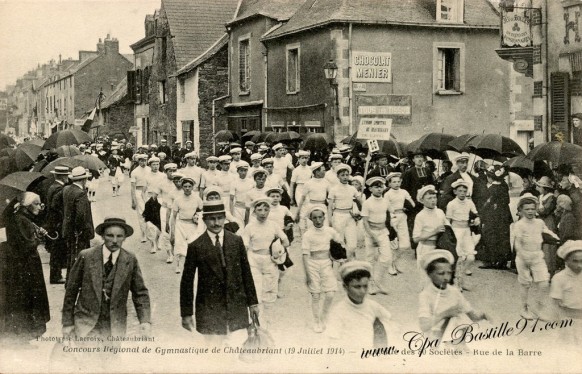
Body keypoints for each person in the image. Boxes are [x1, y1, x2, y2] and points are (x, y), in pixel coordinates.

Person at [180, 200, 259, 346]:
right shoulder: (196, 246)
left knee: (236, 349)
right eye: (211, 219)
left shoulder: (236, 241)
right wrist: (186, 313)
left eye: (219, 218)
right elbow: (187, 282)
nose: (216, 223)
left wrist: (253, 303)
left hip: (236, 306)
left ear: (224, 218)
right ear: (204, 220)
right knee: (214, 353)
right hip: (209, 310)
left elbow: (246, 273)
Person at [62, 218, 151, 341]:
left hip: (114, 326)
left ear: (125, 238)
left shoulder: (130, 259)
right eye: (110, 236)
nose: (115, 241)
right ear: (103, 236)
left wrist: (145, 320)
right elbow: (71, 291)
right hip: (86, 323)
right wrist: (67, 323)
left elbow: (140, 293)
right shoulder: (86, 256)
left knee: (110, 358)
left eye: (119, 236)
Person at [0, 192, 50, 347]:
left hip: (24, 266)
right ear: (27, 205)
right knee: (26, 301)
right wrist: (38, 238)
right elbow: (26, 245)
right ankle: (22, 338)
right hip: (24, 268)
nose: (39, 207)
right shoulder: (21, 220)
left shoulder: (23, 218)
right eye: (36, 203)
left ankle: (22, 337)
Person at [418, 250, 488, 343]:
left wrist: (482, 315)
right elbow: (424, 326)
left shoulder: (454, 292)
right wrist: (446, 313)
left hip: (457, 339)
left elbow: (472, 315)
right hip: (435, 340)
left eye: (449, 273)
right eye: (441, 273)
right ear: (430, 274)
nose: (446, 277)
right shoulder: (426, 295)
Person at [241, 198, 289, 329]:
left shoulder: (273, 225)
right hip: (254, 260)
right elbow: (244, 246)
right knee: (255, 290)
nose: (263, 213)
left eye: (266, 209)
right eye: (259, 209)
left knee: (269, 290)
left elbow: (286, 241)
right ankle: (256, 321)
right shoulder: (250, 227)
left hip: (270, 260)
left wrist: (279, 250)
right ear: (254, 211)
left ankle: (267, 321)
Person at [512, 193, 560, 319]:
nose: (530, 211)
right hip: (523, 257)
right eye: (527, 209)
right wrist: (522, 255)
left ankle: (539, 309)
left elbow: (546, 232)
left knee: (544, 282)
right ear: (521, 210)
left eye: (533, 209)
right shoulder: (519, 225)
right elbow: (518, 243)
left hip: (537, 256)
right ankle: (524, 308)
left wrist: (556, 238)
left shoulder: (539, 222)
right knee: (525, 283)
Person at [326, 261, 393, 350]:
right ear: (345, 287)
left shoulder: (372, 306)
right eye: (357, 287)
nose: (362, 291)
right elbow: (333, 344)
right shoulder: (338, 312)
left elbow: (389, 322)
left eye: (365, 286)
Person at [302, 207, 342, 333]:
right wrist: (307, 274)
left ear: (324, 217)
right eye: (315, 218)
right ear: (311, 219)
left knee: (330, 294)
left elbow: (340, 244)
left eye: (320, 217)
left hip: (326, 264)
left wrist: (337, 255)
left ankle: (324, 317)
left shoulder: (330, 231)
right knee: (315, 295)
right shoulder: (308, 234)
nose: (318, 220)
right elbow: (305, 255)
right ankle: (317, 321)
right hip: (312, 264)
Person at [362, 177, 395, 295]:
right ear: (370, 188)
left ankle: (378, 282)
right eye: (376, 186)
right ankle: (370, 284)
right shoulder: (367, 203)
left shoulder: (385, 201)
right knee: (370, 259)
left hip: (383, 231)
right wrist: (371, 235)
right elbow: (365, 222)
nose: (379, 189)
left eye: (381, 186)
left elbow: (393, 212)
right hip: (370, 232)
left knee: (387, 258)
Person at [445, 179, 480, 290]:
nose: (462, 193)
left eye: (464, 191)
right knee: (459, 257)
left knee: (470, 257)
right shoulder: (451, 204)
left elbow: (475, 214)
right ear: (455, 192)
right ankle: (457, 282)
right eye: (459, 191)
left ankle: (461, 278)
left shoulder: (469, 202)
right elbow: (448, 221)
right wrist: (449, 236)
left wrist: (477, 219)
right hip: (456, 231)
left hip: (466, 231)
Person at [62, 166, 95, 278]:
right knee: (80, 257)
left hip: (69, 229)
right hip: (79, 232)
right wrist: (80, 229)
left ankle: (70, 281)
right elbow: (80, 215)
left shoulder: (67, 189)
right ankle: (77, 282)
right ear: (83, 179)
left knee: (71, 256)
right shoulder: (80, 193)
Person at [479, 165, 513, 270]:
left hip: (492, 215)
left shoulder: (492, 188)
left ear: (490, 177)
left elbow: (487, 203)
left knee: (490, 236)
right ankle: (502, 260)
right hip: (503, 215)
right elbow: (507, 201)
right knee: (502, 236)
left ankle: (491, 260)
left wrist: (482, 213)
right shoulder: (504, 186)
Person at [548, 241, 582, 344]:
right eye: (575, 261)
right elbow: (555, 305)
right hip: (568, 321)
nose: (579, 265)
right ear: (566, 261)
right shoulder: (559, 278)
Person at [328, 164, 362, 260]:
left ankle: (348, 259)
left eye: (347, 175)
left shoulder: (352, 188)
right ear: (338, 176)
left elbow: (361, 200)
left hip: (350, 217)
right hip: (338, 217)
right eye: (342, 175)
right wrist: (329, 220)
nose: (345, 177)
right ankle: (340, 262)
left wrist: (362, 211)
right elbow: (330, 206)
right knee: (339, 242)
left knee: (352, 245)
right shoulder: (334, 189)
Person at [170, 177, 204, 273]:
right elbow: (174, 217)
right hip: (181, 224)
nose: (187, 188)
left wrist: (197, 219)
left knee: (192, 245)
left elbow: (201, 213)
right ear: (182, 187)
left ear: (193, 187)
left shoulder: (197, 199)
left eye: (189, 186)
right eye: (185, 186)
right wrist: (172, 231)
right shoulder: (178, 200)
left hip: (193, 225)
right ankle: (178, 265)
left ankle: (192, 265)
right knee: (180, 245)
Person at [44, 166, 69, 284]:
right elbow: (57, 207)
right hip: (57, 223)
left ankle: (56, 275)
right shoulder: (59, 189)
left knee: (56, 250)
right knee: (57, 251)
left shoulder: (52, 187)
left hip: (52, 222)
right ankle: (56, 276)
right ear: (63, 176)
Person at [413, 185, 449, 263]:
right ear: (422, 200)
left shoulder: (440, 212)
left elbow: (448, 227)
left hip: (439, 248)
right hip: (425, 248)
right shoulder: (420, 216)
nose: (433, 200)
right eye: (429, 198)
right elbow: (415, 239)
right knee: (424, 273)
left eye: (434, 197)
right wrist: (434, 232)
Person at [384, 172, 415, 258]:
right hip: (392, 215)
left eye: (398, 182)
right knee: (392, 232)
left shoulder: (403, 192)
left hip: (402, 214)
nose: (397, 184)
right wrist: (392, 212)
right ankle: (391, 249)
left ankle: (402, 252)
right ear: (389, 183)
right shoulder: (388, 194)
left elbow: (411, 202)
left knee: (403, 232)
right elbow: (386, 205)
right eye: (394, 182)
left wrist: (411, 207)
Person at [295, 162, 330, 232]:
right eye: (323, 171)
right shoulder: (308, 183)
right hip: (311, 207)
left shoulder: (326, 182)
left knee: (324, 228)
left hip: (323, 207)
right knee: (311, 228)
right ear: (317, 172)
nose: (325, 172)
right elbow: (302, 199)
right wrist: (297, 213)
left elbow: (331, 196)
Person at [535, 176, 558, 275]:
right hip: (540, 221)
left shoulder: (551, 197)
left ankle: (550, 269)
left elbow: (545, 210)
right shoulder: (540, 197)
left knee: (548, 246)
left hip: (548, 222)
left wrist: (537, 210)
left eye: (540, 187)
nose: (538, 188)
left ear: (545, 188)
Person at [130, 154, 151, 242]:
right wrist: (133, 200)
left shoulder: (150, 170)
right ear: (138, 161)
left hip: (149, 193)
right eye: (141, 160)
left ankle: (150, 234)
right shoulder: (135, 172)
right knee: (142, 214)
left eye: (145, 160)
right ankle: (143, 233)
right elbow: (132, 187)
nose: (143, 162)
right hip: (139, 193)